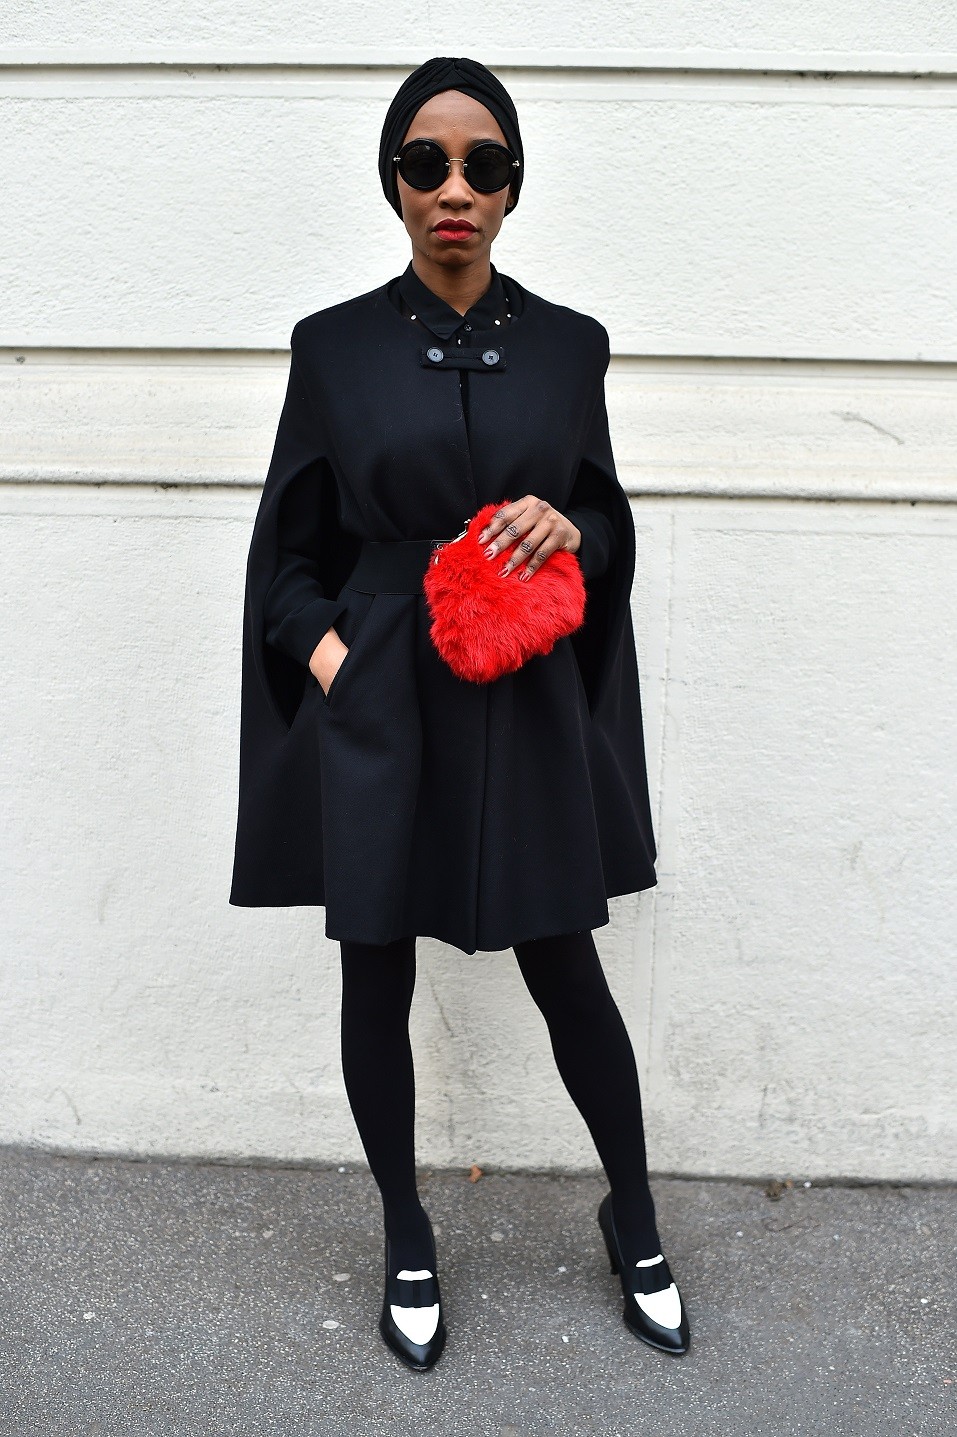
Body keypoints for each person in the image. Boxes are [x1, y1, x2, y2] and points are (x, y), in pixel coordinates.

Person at [229, 55, 690, 1370]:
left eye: (482, 165)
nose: (453, 188)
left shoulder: (570, 347)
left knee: (566, 966)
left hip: (522, 696)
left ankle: (633, 1214)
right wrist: (334, 660)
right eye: (424, 162)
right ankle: (406, 1227)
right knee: (373, 966)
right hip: (384, 699)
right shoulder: (332, 347)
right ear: (392, 181)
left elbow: (602, 519)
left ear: (512, 186)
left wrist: (576, 529)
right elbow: (289, 555)